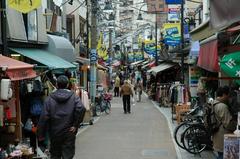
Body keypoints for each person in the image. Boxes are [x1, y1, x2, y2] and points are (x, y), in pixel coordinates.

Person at [37, 75, 86, 159]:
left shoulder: (49, 99)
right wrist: (75, 125)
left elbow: (44, 116)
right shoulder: (74, 97)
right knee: (68, 155)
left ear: (56, 84)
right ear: (67, 85)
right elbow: (81, 109)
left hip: (54, 132)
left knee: (55, 155)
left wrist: (41, 134)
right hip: (69, 131)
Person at [212, 86, 237, 159]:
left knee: (220, 154)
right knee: (223, 155)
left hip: (215, 134)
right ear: (224, 94)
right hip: (223, 136)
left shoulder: (213, 103)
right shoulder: (222, 106)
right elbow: (228, 123)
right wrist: (235, 126)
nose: (228, 97)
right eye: (228, 95)